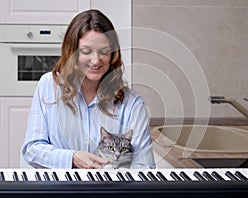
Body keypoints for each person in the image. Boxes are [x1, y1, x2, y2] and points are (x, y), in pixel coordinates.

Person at [21, 9, 156, 169]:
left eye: (104, 52)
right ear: (73, 52)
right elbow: (32, 149)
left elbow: (144, 166)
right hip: (58, 191)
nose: (96, 60)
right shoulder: (49, 86)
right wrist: (72, 158)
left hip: (109, 193)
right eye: (86, 51)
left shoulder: (131, 104)